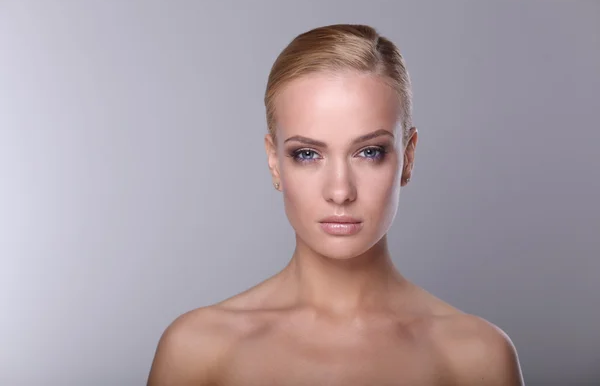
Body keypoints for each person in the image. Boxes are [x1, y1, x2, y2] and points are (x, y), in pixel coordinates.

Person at [147, 24, 525, 385]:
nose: (340, 191)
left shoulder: (476, 358)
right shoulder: (197, 349)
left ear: (407, 158)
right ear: (274, 161)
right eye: (308, 154)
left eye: (369, 152)